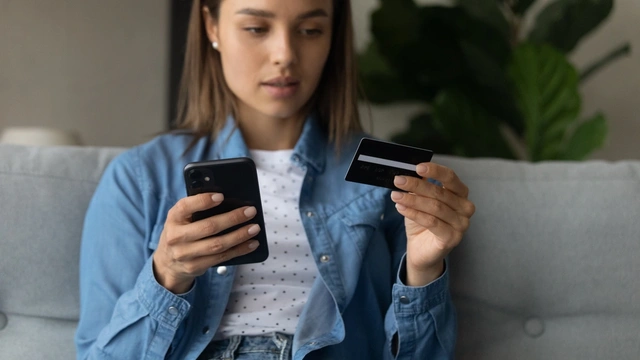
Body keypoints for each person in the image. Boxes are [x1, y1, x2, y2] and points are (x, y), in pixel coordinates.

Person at [74, 0, 476, 359]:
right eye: (256, 28)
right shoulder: (139, 178)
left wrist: (424, 272)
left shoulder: (386, 176)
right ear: (212, 27)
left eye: (310, 30)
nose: (285, 55)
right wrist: (167, 274)